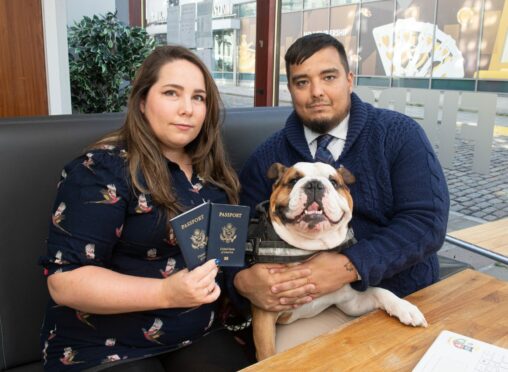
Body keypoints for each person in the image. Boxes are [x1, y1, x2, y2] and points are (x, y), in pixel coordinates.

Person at [39, 45, 253, 371]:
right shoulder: (101, 170)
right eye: (171, 93)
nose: (188, 109)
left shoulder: (215, 173)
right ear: (142, 102)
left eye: (199, 98)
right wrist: (167, 293)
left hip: (195, 333)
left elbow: (225, 257)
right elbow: (64, 282)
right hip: (104, 344)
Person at [234, 33, 450, 352]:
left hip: (403, 291)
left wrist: (347, 266)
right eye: (302, 82)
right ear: (290, 89)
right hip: (306, 308)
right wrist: (240, 281)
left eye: (329, 77)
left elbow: (427, 223)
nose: (317, 91)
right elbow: (232, 236)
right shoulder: (266, 157)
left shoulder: (399, 134)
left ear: (349, 79)